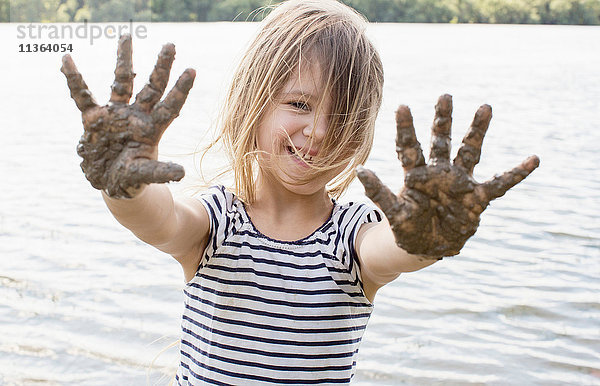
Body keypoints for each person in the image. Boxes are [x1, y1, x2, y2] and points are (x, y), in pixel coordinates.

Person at [60, 0, 539, 384]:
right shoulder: (216, 224)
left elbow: (393, 250)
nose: (318, 131)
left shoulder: (352, 237)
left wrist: (428, 234)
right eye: (298, 103)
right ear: (255, 103)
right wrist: (123, 182)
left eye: (342, 115)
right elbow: (158, 219)